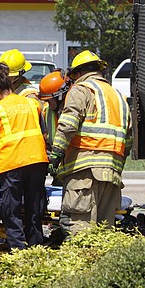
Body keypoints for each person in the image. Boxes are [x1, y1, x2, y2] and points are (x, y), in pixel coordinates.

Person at [48, 50, 132, 235]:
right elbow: (129, 140)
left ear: (78, 73)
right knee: (104, 233)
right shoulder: (119, 97)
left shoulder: (82, 90)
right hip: (112, 175)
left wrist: (55, 155)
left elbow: (68, 125)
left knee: (80, 230)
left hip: (84, 173)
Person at [0, 62, 48, 250]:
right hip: (36, 161)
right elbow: (43, 135)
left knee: (11, 211)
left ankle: (18, 251)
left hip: (11, 164)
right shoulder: (32, 104)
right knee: (34, 208)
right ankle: (36, 249)